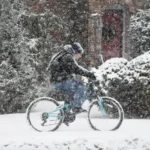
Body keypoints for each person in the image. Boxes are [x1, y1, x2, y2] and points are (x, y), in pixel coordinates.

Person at [48, 42, 96, 113]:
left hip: (58, 79)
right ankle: (76, 107)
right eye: (80, 53)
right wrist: (89, 74)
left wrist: (87, 74)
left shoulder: (65, 54)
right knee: (80, 87)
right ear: (76, 52)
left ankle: (65, 113)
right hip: (60, 80)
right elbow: (76, 69)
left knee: (71, 93)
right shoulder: (68, 56)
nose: (80, 56)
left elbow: (73, 69)